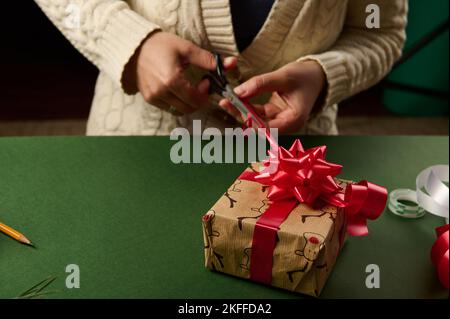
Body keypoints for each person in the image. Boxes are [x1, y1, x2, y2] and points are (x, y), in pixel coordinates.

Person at [34, 0, 407, 135]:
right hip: (137, 151)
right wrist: (130, 41)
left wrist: (322, 76)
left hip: (297, 169)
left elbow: (379, 31)